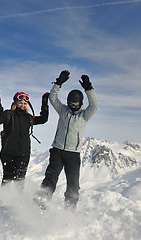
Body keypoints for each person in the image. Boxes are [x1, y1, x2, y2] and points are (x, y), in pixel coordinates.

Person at [34, 70, 98, 210]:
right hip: (57, 150)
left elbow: (94, 105)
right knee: (50, 178)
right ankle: (40, 204)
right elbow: (53, 99)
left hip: (73, 154)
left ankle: (69, 210)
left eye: (76, 104)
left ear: (80, 103)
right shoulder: (63, 110)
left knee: (73, 185)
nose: (73, 106)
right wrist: (58, 83)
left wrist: (88, 88)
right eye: (70, 104)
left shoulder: (84, 115)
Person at [0, 90, 49, 187]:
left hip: (23, 154)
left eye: (25, 103)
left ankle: (18, 201)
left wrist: (45, 102)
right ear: (16, 102)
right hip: (8, 153)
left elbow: (43, 119)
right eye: (20, 102)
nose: (23, 105)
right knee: (7, 179)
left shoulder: (29, 118)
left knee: (20, 181)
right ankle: (3, 200)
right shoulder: (8, 114)